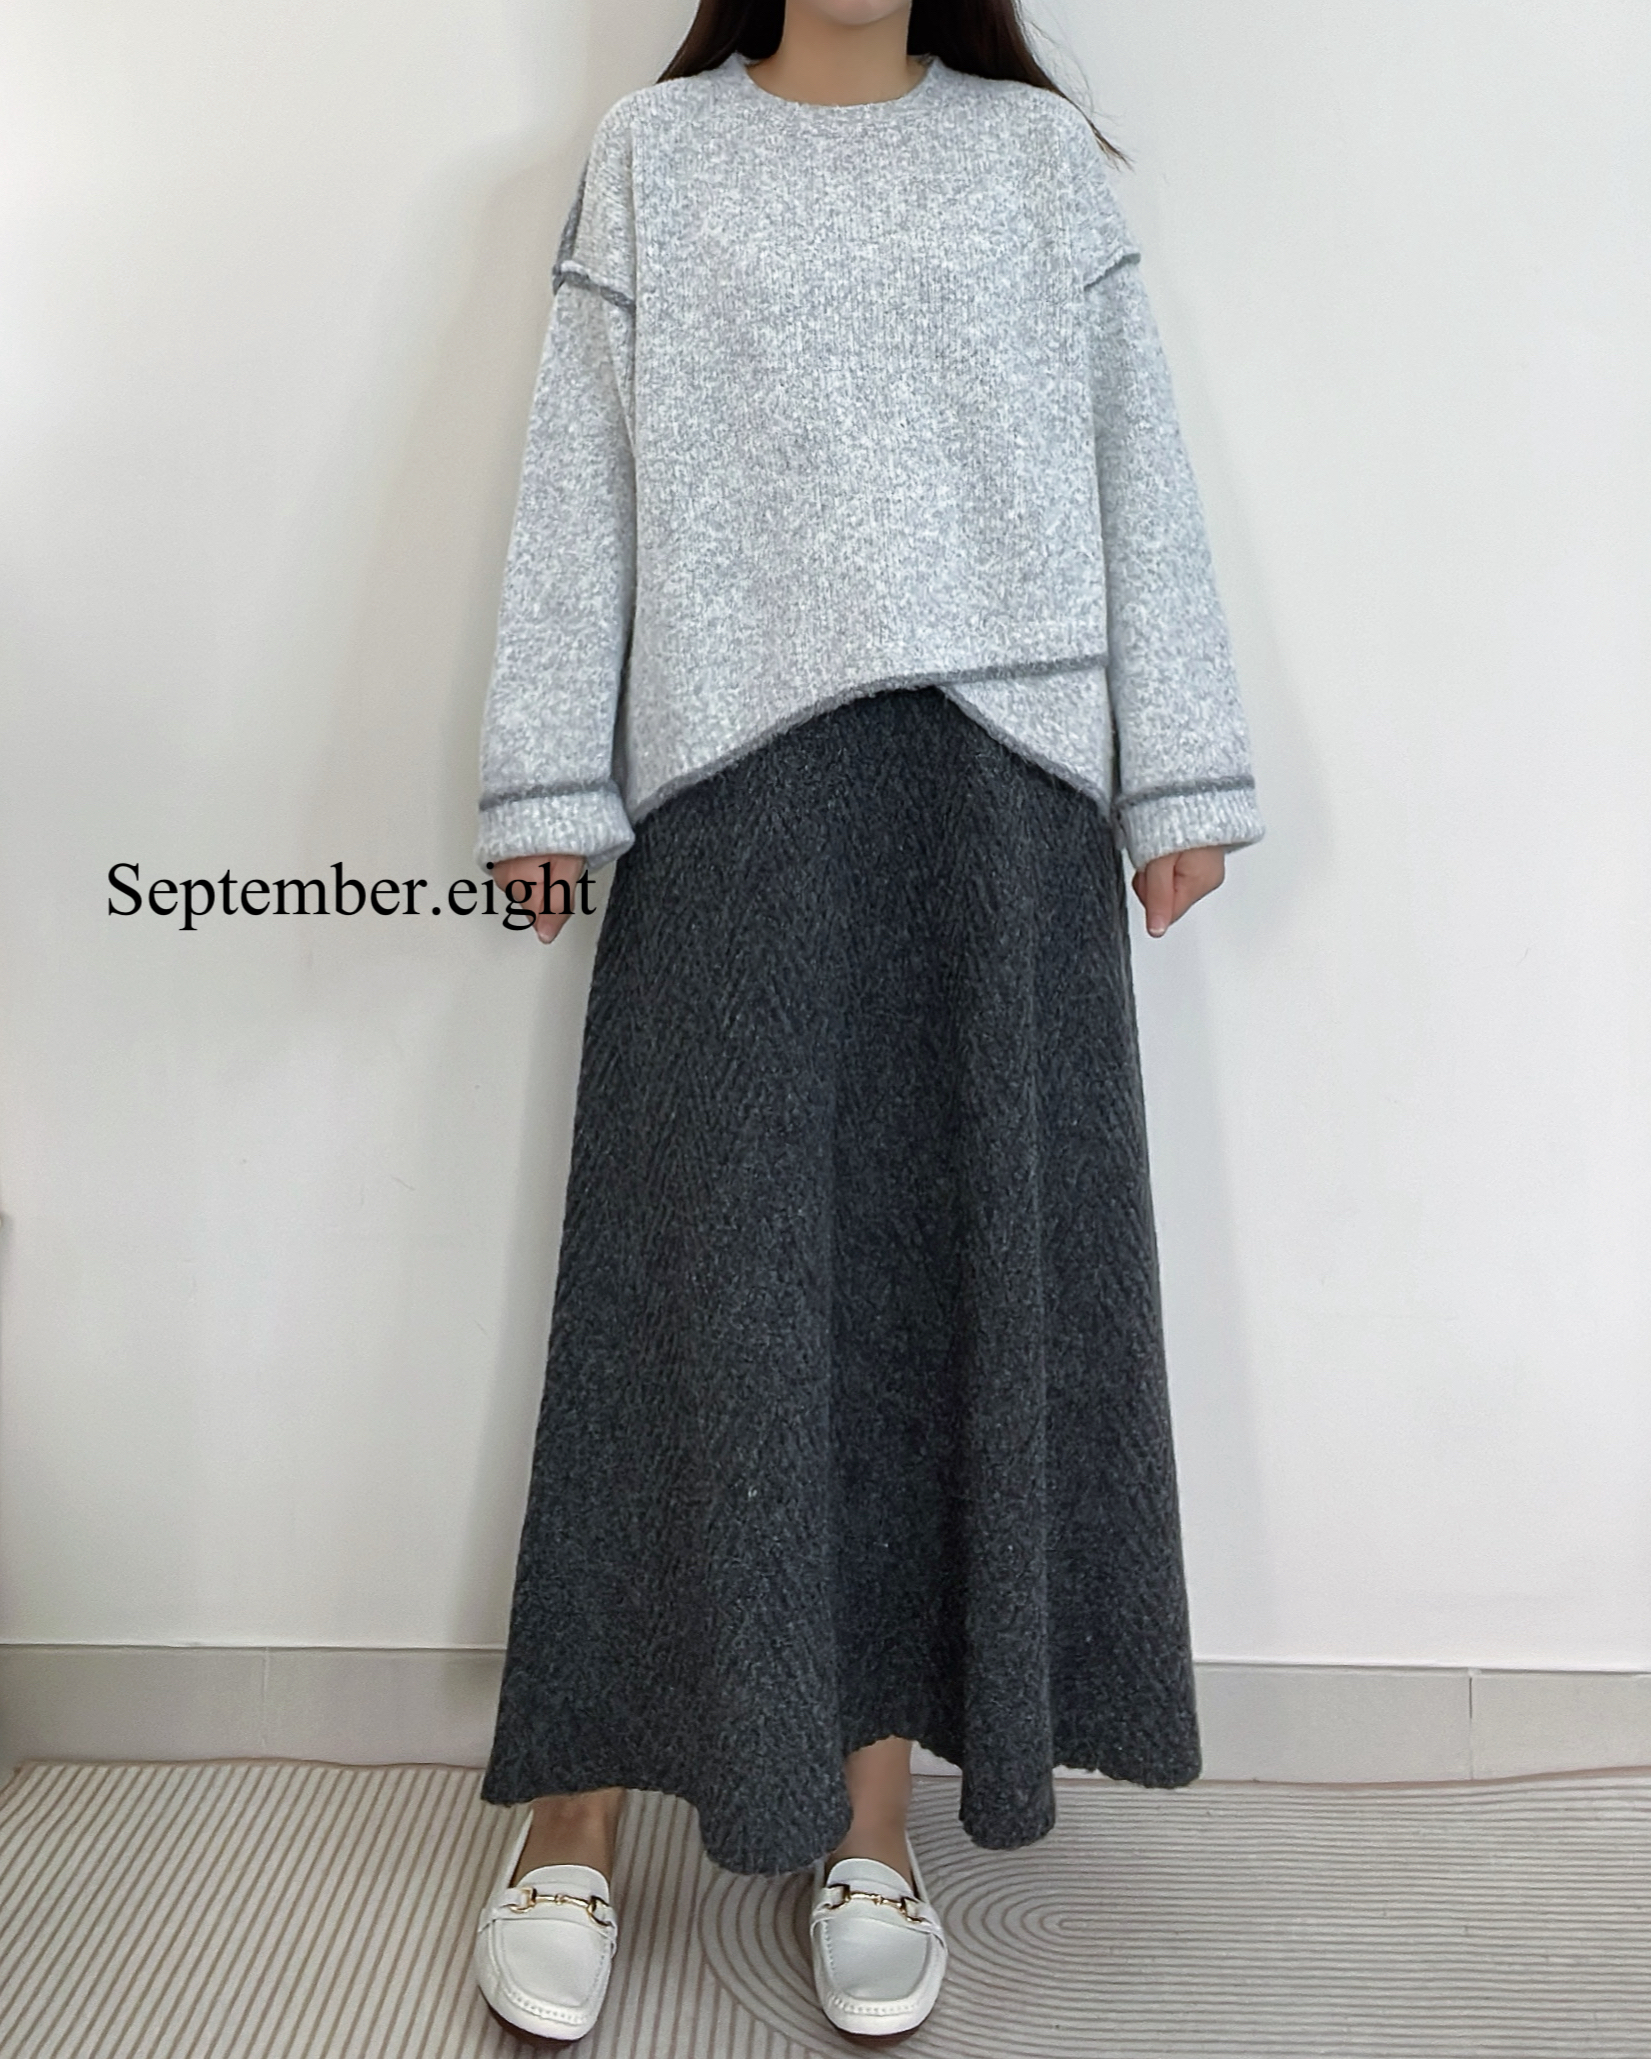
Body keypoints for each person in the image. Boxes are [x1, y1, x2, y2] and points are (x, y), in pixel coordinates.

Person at [468, 0, 1264, 2043]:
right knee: (685, 1294)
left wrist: (1177, 771)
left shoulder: (1029, 159)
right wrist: (547, 772)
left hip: (1002, 798)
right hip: (733, 786)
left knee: (928, 1309)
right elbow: (581, 460)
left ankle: (872, 1828)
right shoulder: (657, 155)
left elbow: (1132, 448)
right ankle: (575, 1814)